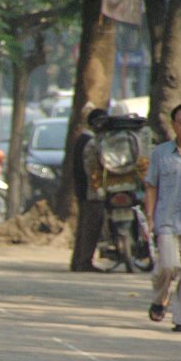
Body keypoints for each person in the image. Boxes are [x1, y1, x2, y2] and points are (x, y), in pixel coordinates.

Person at [146, 102, 181, 332]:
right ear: (174, 125)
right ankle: (160, 297)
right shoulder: (161, 153)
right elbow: (151, 186)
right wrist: (149, 216)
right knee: (168, 265)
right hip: (166, 220)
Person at [70, 107, 108, 272]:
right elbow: (91, 170)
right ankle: (84, 261)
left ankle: (78, 260)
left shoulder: (83, 139)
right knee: (90, 227)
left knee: (83, 227)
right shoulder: (90, 142)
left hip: (83, 190)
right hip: (91, 192)